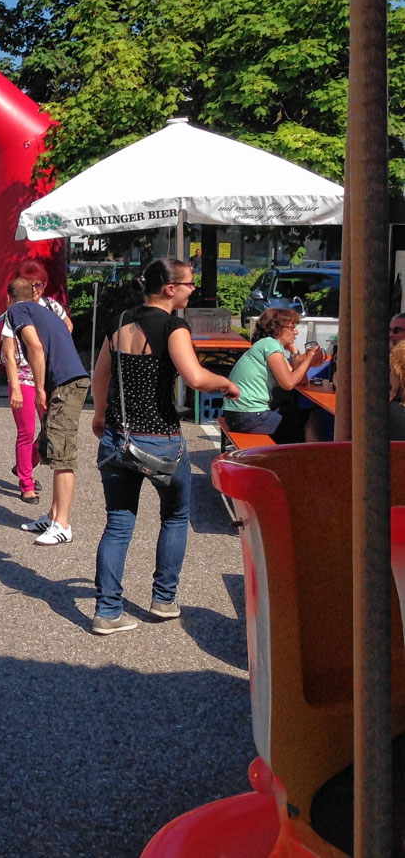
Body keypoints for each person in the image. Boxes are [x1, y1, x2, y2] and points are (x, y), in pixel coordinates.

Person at [89, 258, 238, 634]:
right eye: (189, 284)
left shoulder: (121, 319)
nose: (193, 289)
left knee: (118, 524)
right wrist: (227, 383)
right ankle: (163, 599)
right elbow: (195, 377)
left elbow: (101, 372)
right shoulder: (174, 326)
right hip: (160, 441)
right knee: (174, 515)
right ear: (170, 289)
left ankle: (107, 611)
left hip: (117, 439)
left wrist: (101, 414)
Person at [5, 277, 90, 546]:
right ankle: (53, 515)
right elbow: (66, 331)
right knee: (52, 446)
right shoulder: (46, 309)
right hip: (71, 379)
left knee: (62, 454)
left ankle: (62, 524)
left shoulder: (17, 310)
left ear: (10, 297)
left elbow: (36, 348)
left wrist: (40, 388)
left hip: (65, 383)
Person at [223, 308, 326, 440]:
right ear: (277, 328)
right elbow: (288, 384)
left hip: (239, 414)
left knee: (297, 414)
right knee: (302, 424)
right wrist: (308, 358)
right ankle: (308, 458)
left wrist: (295, 355)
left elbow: (300, 381)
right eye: (292, 327)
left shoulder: (267, 346)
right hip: (248, 416)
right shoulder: (270, 345)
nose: (296, 332)